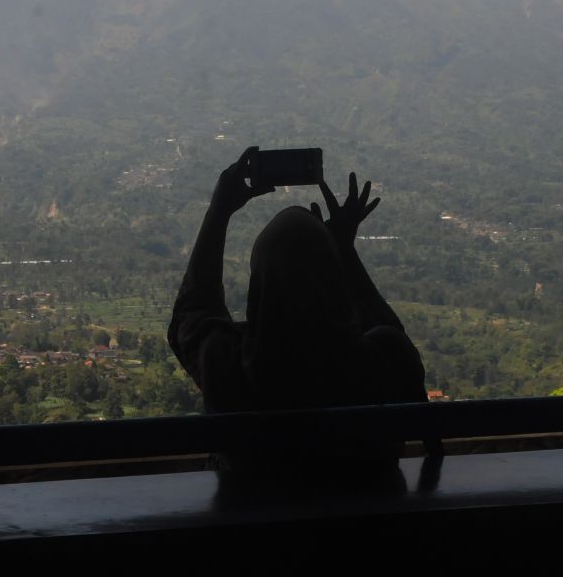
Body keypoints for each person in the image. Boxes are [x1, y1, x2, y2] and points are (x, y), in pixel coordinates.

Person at [169, 147, 426, 477]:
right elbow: (389, 331)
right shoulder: (382, 362)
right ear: (332, 282)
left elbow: (191, 312)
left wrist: (219, 211)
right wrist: (345, 252)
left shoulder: (229, 369)